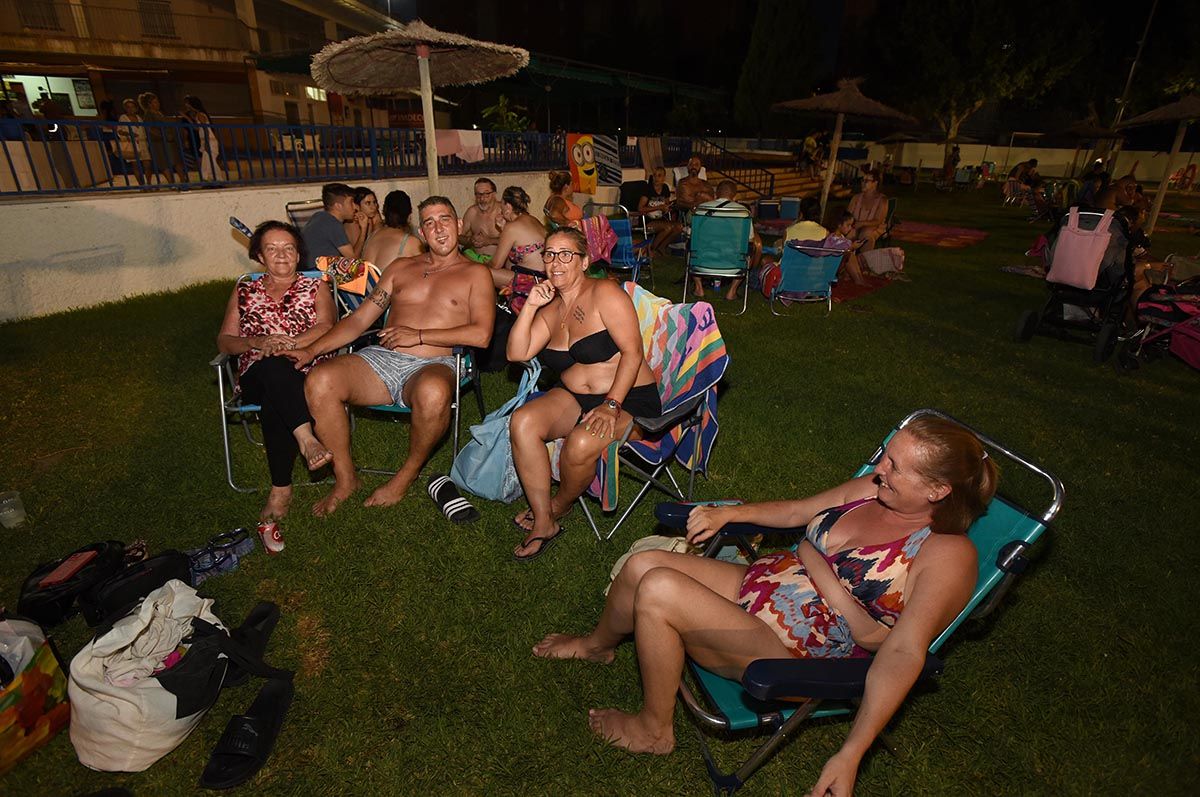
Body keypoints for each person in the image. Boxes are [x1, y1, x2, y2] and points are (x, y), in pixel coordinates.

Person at [532, 416, 997, 796]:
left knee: (658, 588)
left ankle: (655, 729)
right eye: (886, 457)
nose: (880, 470)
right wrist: (730, 513)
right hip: (762, 588)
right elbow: (798, 512)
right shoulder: (869, 491)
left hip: (794, 651)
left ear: (937, 491)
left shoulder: (946, 555)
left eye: (896, 467)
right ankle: (597, 645)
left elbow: (902, 651)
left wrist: (852, 752)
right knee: (643, 566)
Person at [283, 197, 495, 516]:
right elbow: (358, 320)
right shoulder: (400, 268)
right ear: (421, 232)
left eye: (445, 219)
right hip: (383, 360)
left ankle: (404, 476)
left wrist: (419, 335)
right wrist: (311, 350)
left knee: (434, 392)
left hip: (435, 364)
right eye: (430, 222)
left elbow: (481, 334)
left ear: (459, 225)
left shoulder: (476, 274)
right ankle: (345, 479)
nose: (438, 228)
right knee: (321, 379)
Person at [507, 228, 661, 561]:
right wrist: (531, 306)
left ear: (585, 260)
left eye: (566, 254)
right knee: (522, 422)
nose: (556, 262)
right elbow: (516, 353)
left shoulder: (604, 293)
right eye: (549, 254)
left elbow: (633, 353)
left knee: (578, 444)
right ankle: (544, 522)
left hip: (627, 395)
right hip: (575, 396)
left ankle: (558, 505)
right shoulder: (550, 311)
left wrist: (611, 405)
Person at [217, 221, 336, 520]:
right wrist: (257, 341)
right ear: (259, 256)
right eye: (272, 249)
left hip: (306, 368)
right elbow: (225, 340)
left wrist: (289, 343)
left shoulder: (315, 286)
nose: (281, 255)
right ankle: (308, 439)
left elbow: (326, 326)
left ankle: (281, 489)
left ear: (298, 255)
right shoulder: (245, 289)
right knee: (270, 368)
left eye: (289, 248)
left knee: (276, 390)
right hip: (256, 373)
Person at [691, 180, 761, 301]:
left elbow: (692, 235)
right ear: (735, 196)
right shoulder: (743, 213)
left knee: (692, 248)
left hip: (702, 262)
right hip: (734, 264)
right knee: (748, 251)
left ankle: (699, 288)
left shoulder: (701, 209)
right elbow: (750, 239)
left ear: (716, 193)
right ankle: (731, 291)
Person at [490, 186, 548, 300]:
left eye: (501, 205)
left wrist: (479, 265)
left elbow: (496, 264)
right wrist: (503, 228)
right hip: (543, 276)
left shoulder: (512, 227)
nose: (500, 210)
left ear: (508, 206)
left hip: (533, 279)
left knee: (482, 273)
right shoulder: (532, 219)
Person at [301, 183, 362, 268]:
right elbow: (353, 260)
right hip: (316, 274)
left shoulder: (319, 216)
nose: (355, 207)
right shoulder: (332, 223)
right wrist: (364, 229)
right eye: (351, 202)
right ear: (338, 206)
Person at [363, 190, 423, 268]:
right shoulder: (411, 242)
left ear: (384, 212)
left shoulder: (372, 235)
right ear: (409, 216)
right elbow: (423, 273)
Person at [138, 92, 186, 185]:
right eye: (155, 102)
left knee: (176, 161)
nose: (158, 104)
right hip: (158, 142)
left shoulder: (159, 113)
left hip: (168, 140)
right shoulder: (148, 114)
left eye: (157, 102)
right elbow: (150, 129)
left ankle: (182, 181)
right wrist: (162, 135)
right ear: (149, 104)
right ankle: (171, 183)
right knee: (164, 163)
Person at [635, 167, 683, 257]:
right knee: (668, 227)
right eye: (654, 175)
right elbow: (640, 208)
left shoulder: (665, 188)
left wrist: (669, 207)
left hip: (661, 218)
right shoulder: (648, 189)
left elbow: (666, 203)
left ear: (664, 177)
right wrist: (659, 207)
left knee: (679, 227)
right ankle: (652, 249)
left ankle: (662, 247)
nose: (656, 178)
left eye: (659, 176)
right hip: (648, 220)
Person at [181, 95, 226, 183]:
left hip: (208, 140)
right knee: (207, 161)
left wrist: (206, 142)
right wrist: (187, 118)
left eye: (188, 104)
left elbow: (205, 129)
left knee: (210, 160)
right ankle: (211, 179)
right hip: (205, 140)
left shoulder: (200, 114)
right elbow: (197, 128)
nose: (187, 106)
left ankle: (217, 179)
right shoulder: (199, 115)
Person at [461, 178, 504, 260]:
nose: (482, 199)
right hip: (473, 259)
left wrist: (489, 241)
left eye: (486, 194)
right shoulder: (472, 212)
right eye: (478, 194)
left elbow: (514, 240)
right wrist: (470, 240)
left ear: (494, 194)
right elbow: (458, 237)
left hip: (497, 261)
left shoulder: (503, 211)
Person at [847, 170, 888, 251]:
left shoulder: (882, 200)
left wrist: (862, 223)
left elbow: (878, 220)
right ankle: (847, 258)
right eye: (862, 180)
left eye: (866, 181)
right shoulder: (856, 198)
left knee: (866, 234)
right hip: (856, 225)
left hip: (874, 226)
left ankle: (864, 259)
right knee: (849, 234)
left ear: (875, 183)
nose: (863, 183)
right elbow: (848, 214)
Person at [116, 98, 151, 186]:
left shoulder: (139, 117)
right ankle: (142, 185)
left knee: (147, 165)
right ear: (125, 108)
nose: (130, 109)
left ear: (136, 108)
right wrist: (129, 133)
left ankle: (149, 184)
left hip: (142, 143)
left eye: (132, 107)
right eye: (128, 107)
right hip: (132, 143)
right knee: (136, 166)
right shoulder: (123, 117)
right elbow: (119, 130)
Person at [344, 186, 382, 255]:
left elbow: (379, 242)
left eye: (374, 202)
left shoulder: (369, 218)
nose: (373, 207)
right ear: (357, 206)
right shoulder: (353, 222)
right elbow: (355, 255)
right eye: (368, 203)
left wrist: (377, 222)